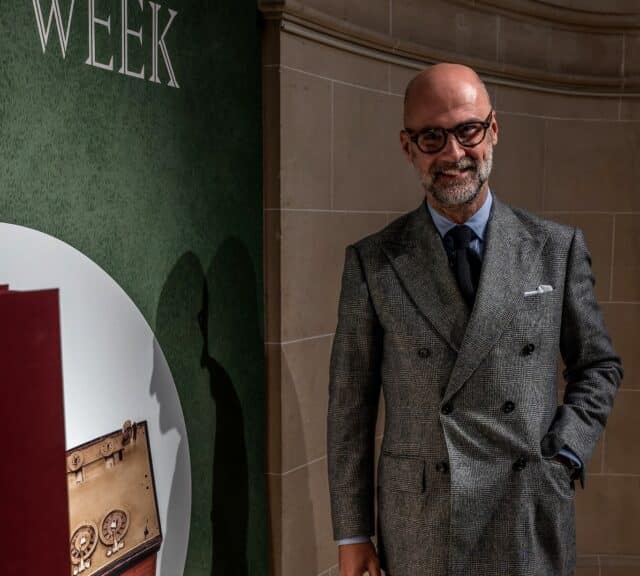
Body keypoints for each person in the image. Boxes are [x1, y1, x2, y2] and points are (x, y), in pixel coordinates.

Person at [327, 63, 623, 576]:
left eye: (468, 130)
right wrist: (353, 533)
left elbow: (598, 366)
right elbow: (350, 405)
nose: (453, 153)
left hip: (526, 508)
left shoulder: (555, 248)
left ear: (494, 130)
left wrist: (565, 455)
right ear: (407, 146)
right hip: (422, 521)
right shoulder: (374, 262)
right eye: (432, 137)